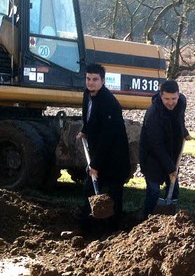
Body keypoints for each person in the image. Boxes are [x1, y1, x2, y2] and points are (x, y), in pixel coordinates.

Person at [76, 63, 131, 234]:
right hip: (99, 153)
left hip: (115, 157)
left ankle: (114, 232)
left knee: (114, 194)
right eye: (88, 79)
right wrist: (85, 130)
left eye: (95, 79)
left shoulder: (109, 103)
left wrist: (95, 165)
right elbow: (89, 117)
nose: (90, 83)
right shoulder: (88, 94)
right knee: (89, 191)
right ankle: (87, 230)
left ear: (103, 80)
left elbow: (108, 137)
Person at [139, 79, 188, 220]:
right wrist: (171, 169)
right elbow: (157, 145)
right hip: (152, 155)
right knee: (154, 191)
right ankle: (146, 221)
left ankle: (169, 222)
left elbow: (179, 119)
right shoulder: (153, 114)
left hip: (171, 152)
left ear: (179, 95)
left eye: (174, 98)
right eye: (166, 99)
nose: (171, 102)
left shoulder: (181, 103)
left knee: (174, 190)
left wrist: (183, 131)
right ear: (161, 96)